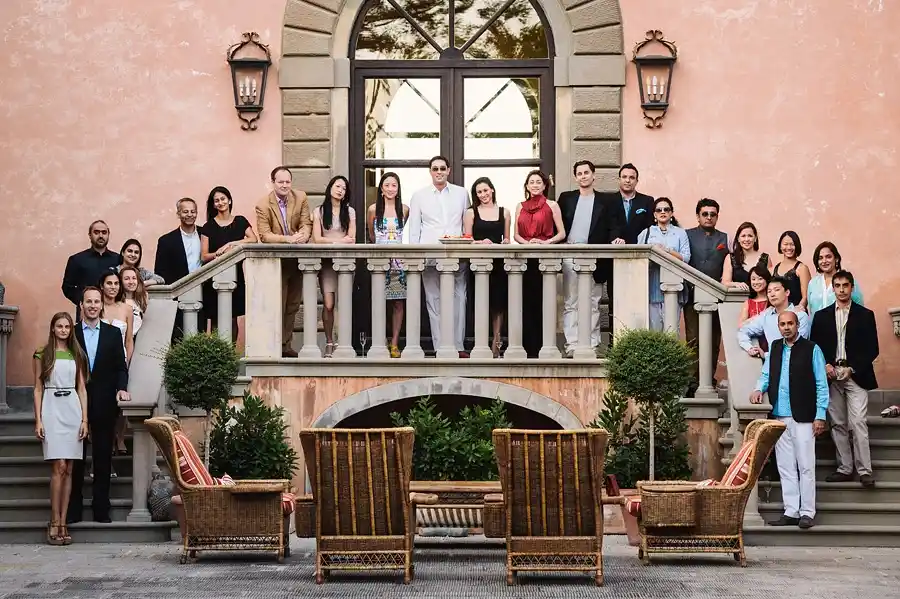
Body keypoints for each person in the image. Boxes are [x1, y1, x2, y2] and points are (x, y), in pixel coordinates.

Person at [751, 310, 829, 529]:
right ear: (778, 327)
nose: (786, 327)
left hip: (804, 416)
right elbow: (766, 374)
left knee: (806, 466)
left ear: (797, 325)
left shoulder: (812, 349)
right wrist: (758, 389)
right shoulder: (775, 347)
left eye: (790, 324)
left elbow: (821, 384)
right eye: (782, 324)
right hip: (780, 415)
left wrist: (820, 415)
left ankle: (807, 512)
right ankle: (791, 510)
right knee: (785, 466)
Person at [810, 270, 879, 488]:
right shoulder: (821, 316)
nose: (841, 290)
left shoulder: (865, 315)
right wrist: (825, 365)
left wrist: (852, 368)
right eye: (837, 286)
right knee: (838, 423)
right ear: (833, 289)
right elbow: (815, 347)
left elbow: (872, 348)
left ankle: (865, 470)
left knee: (858, 422)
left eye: (845, 285)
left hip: (856, 376)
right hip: (831, 377)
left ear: (852, 288)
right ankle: (845, 468)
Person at [68, 287, 130, 524]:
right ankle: (73, 508)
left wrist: (121, 388)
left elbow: (121, 367)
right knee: (76, 457)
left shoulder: (113, 334)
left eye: (96, 301)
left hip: (105, 402)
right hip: (75, 403)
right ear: (81, 305)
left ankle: (101, 508)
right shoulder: (71, 333)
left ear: (101, 305)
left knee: (103, 457)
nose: (93, 305)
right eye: (88, 302)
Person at [33, 312, 89, 545]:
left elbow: (82, 388)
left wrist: (85, 419)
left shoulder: (77, 354)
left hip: (72, 409)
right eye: (59, 326)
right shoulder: (42, 353)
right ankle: (54, 521)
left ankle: (64, 521)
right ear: (53, 328)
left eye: (67, 326)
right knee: (59, 466)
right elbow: (37, 388)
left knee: (70, 468)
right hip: (51, 407)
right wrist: (38, 420)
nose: (64, 330)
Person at [557, 160, 621, 357]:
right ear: (575, 177)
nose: (583, 176)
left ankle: (592, 344)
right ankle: (572, 344)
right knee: (571, 301)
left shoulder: (606, 200)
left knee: (593, 302)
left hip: (595, 257)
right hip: (570, 254)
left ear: (593, 175)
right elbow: (556, 224)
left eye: (586, 172)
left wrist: (616, 238)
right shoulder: (566, 198)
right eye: (579, 173)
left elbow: (613, 225)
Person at [407, 156, 469, 356]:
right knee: (433, 300)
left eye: (443, 168)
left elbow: (466, 223)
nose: (439, 172)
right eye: (435, 169)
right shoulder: (419, 196)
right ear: (430, 172)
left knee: (459, 299)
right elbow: (414, 228)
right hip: (429, 254)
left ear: (449, 170)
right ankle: (440, 347)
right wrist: (415, 255)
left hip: (457, 254)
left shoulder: (462, 193)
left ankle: (458, 346)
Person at [255, 166, 313, 358]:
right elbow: (265, 235)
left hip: (297, 261)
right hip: (276, 264)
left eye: (288, 181)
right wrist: (288, 239)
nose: (285, 185)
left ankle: (286, 345)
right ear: (273, 182)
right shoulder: (263, 205)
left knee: (293, 305)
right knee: (277, 305)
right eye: (281, 182)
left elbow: (306, 223)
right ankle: (274, 346)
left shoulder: (301, 197)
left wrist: (303, 236)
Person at [514, 170, 566, 358]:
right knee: (525, 303)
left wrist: (546, 243)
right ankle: (527, 348)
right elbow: (516, 235)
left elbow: (562, 233)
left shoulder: (552, 205)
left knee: (544, 302)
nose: (535, 185)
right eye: (531, 182)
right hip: (525, 260)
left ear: (544, 185)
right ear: (527, 186)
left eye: (538, 182)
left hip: (545, 259)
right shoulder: (519, 206)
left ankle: (544, 347)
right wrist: (527, 244)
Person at [684, 199, 729, 394]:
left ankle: (709, 378)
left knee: (713, 339)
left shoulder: (725, 238)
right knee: (693, 339)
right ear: (698, 216)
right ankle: (692, 381)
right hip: (692, 295)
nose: (709, 217)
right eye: (705, 214)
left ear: (717, 216)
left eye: (713, 214)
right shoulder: (687, 235)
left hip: (716, 297)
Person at [200, 186, 258, 340]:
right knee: (215, 319)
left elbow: (253, 239)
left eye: (223, 199)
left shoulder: (240, 221)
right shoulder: (208, 226)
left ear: (229, 200)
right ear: (213, 205)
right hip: (214, 277)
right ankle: (217, 353)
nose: (220, 203)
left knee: (233, 319)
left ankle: (230, 353)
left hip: (236, 276)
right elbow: (204, 256)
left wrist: (231, 244)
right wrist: (218, 253)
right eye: (216, 201)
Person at [464, 177, 510, 358]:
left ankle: (496, 342)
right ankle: (481, 342)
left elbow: (507, 239)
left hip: (499, 264)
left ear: (492, 190)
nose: (483, 194)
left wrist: (505, 242)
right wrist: (480, 242)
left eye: (485, 190)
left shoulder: (504, 212)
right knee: (481, 303)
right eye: (479, 192)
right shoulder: (471, 213)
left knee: (498, 305)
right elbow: (467, 239)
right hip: (478, 264)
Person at [312, 176, 356, 357]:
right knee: (329, 304)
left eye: (344, 188)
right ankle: (329, 341)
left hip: (345, 262)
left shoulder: (350, 212)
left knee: (344, 304)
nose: (340, 190)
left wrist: (334, 241)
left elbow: (351, 238)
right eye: (337, 186)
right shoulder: (319, 211)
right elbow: (317, 239)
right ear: (330, 188)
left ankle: (343, 343)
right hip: (327, 263)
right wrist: (338, 241)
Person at [367, 172, 409, 358]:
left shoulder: (405, 210)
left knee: (398, 303)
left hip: (398, 263)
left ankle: (394, 343)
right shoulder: (373, 209)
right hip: (380, 261)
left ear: (398, 189)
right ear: (381, 189)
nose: (391, 189)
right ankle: (380, 340)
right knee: (379, 301)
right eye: (387, 185)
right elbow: (371, 235)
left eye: (394, 185)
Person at [155, 198, 205, 341]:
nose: (189, 215)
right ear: (178, 214)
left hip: (204, 293)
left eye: (193, 211)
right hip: (177, 297)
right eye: (185, 211)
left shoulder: (206, 235)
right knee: (178, 338)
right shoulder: (166, 241)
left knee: (200, 337)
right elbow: (160, 272)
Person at [637, 197, 690, 332]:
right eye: (659, 210)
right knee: (654, 331)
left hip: (674, 286)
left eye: (666, 209)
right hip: (652, 286)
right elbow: (638, 260)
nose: (663, 212)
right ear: (654, 214)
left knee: (671, 331)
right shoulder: (646, 233)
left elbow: (686, 258)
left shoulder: (680, 233)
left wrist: (667, 251)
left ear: (671, 213)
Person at [62, 220, 121, 319]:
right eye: (96, 232)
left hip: (113, 313)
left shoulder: (118, 259)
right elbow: (67, 287)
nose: (101, 236)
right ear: (90, 235)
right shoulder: (77, 260)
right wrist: (84, 301)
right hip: (86, 314)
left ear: (108, 234)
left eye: (104, 232)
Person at [738, 276, 810, 357]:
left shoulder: (800, 315)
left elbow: (798, 347)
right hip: (771, 363)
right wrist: (749, 348)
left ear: (787, 292)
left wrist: (766, 355)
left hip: (794, 363)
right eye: (769, 291)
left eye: (777, 290)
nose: (772, 294)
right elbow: (743, 331)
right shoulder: (766, 316)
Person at [808, 241, 864, 314]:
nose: (824, 261)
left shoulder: (847, 280)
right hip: (817, 321)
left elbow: (859, 308)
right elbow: (811, 310)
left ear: (836, 259)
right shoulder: (813, 283)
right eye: (820, 258)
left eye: (828, 257)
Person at [97, 271, 134, 365]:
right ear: (102, 286)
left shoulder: (127, 309)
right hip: (96, 359)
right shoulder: (94, 308)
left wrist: (127, 364)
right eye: (109, 283)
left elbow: (129, 340)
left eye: (116, 283)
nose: (113, 287)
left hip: (120, 360)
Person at [723, 222, 771, 290]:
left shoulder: (765, 258)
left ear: (755, 238)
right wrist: (736, 284)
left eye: (750, 236)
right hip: (738, 296)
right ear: (738, 239)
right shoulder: (730, 258)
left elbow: (770, 283)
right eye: (743, 236)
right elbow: (724, 283)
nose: (746, 239)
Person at [772, 231, 811, 311]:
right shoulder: (774, 268)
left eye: (792, 244)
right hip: (777, 314)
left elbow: (806, 297)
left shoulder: (802, 268)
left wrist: (798, 310)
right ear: (780, 246)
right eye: (785, 244)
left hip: (796, 313)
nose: (789, 247)